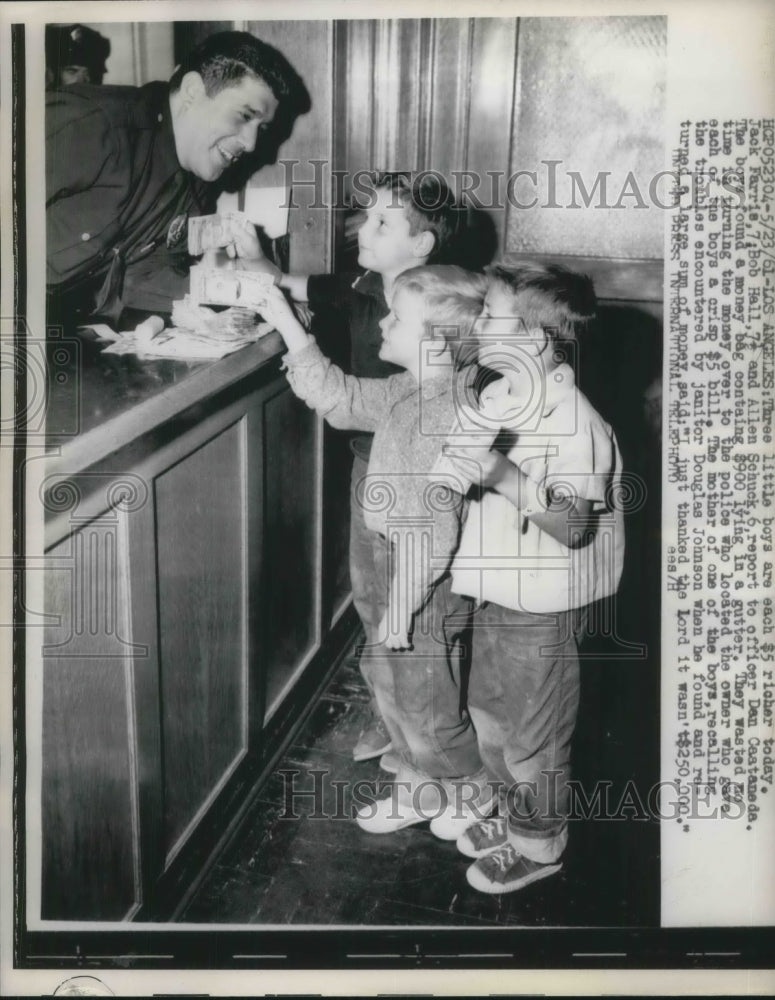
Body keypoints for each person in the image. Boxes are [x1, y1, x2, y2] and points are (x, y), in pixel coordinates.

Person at [260, 265, 497, 836]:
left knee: (426, 699)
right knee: (395, 682)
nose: (382, 324)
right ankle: (420, 783)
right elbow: (339, 399)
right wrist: (286, 323)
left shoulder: (445, 412)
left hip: (425, 581)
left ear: (435, 342)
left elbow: (434, 532)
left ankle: (474, 781)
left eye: (397, 317)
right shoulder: (407, 390)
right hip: (403, 565)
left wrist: (403, 604)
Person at [440, 263, 625, 893]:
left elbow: (573, 525)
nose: (478, 325)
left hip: (542, 599)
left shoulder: (578, 421)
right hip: (494, 584)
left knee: (535, 731)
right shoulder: (500, 394)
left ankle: (540, 842)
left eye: (491, 317)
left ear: (538, 342)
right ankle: (512, 810)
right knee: (489, 706)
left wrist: (498, 475)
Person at [275, 172, 467, 765]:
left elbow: (431, 530)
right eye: (367, 214)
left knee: (413, 614)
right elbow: (311, 292)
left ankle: (427, 746)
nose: (363, 226)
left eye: (383, 220)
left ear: (422, 246)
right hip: (372, 469)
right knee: (373, 601)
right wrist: (270, 285)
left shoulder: (434, 313)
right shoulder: (362, 286)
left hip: (416, 486)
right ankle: (394, 714)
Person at [45, 30, 306, 326]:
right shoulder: (92, 124)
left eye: (261, 128)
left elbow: (142, 276)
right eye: (245, 116)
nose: (251, 144)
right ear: (193, 90)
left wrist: (257, 297)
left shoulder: (198, 179)